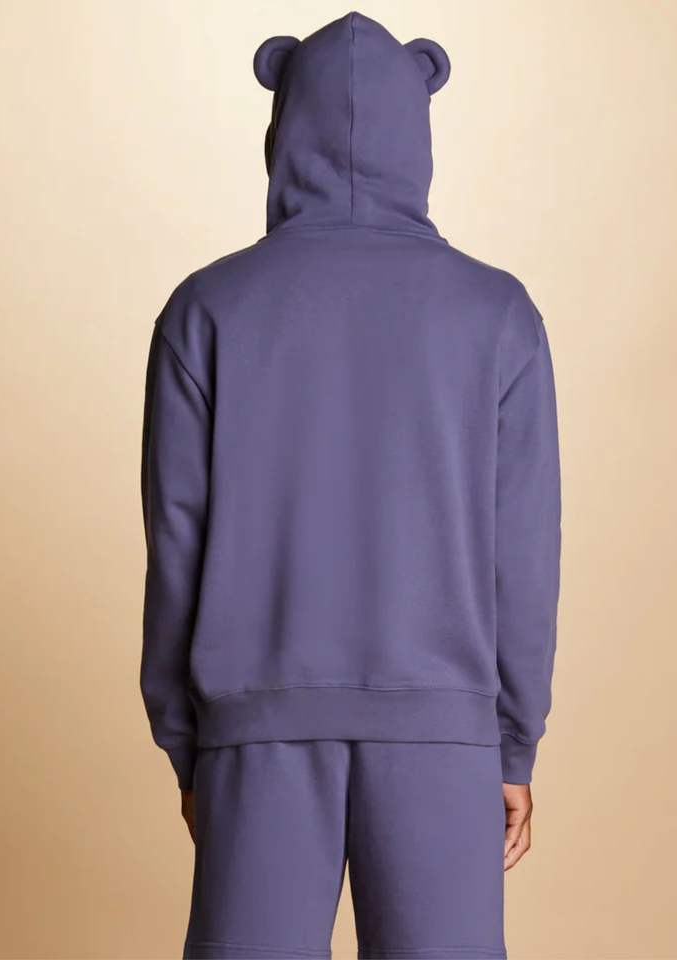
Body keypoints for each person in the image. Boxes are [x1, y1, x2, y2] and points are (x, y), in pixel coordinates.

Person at [140, 12, 562, 960]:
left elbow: (176, 543)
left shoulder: (207, 308)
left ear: (282, 125)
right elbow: (525, 552)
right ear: (421, 132)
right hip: (444, 737)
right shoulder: (497, 313)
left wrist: (190, 742)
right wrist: (511, 742)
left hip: (255, 736)